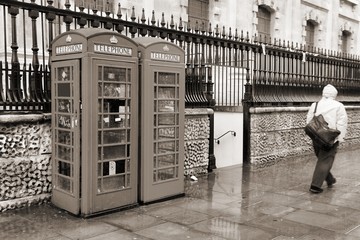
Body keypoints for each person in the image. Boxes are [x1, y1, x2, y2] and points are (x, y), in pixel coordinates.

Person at [306, 84, 347, 194]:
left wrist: (313, 135)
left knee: (322, 159)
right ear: (334, 94)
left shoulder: (315, 105)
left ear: (323, 93)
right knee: (325, 160)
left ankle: (329, 179)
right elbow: (341, 123)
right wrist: (340, 139)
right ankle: (315, 186)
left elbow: (309, 121)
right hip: (330, 138)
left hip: (316, 137)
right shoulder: (339, 106)